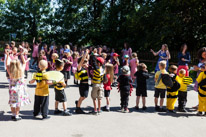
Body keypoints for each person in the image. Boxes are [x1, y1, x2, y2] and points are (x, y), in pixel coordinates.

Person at [6, 49, 31, 121]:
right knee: (18, 103)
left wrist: (7, 56)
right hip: (19, 90)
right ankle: (17, 115)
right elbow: (24, 63)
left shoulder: (10, 72)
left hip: (12, 90)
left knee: (12, 102)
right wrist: (22, 55)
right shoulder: (21, 71)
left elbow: (7, 64)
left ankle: (13, 114)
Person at [75, 49, 89, 114]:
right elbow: (82, 60)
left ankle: (77, 102)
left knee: (85, 96)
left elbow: (86, 59)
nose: (86, 63)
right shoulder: (79, 67)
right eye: (84, 62)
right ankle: (78, 108)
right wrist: (85, 53)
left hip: (86, 85)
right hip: (82, 84)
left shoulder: (85, 68)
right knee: (82, 96)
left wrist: (87, 55)